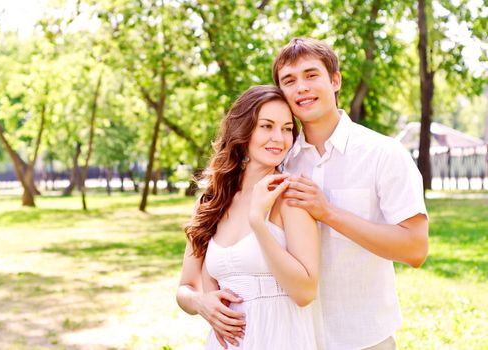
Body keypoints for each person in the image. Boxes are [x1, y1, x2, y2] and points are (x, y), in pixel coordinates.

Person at [271, 37, 429, 349]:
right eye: (289, 80)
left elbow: (415, 249)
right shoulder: (279, 161)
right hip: (294, 337)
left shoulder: (383, 153)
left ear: (335, 80)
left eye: (311, 75)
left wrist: (327, 213)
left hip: (364, 337)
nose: (301, 87)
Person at [176, 85, 325, 349]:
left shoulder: (291, 197)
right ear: (243, 130)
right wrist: (201, 303)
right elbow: (186, 287)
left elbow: (305, 292)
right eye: (266, 126)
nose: (278, 138)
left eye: (287, 128)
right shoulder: (211, 200)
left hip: (280, 338)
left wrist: (259, 223)